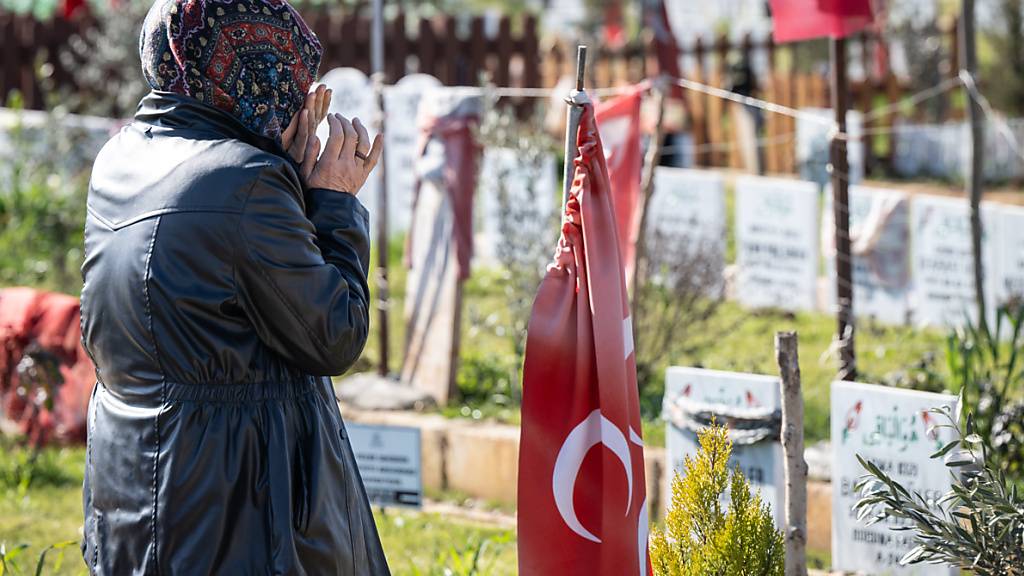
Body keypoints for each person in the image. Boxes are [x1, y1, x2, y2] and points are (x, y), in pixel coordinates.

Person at [79, 0, 390, 573]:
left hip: (134, 494)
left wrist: (286, 186)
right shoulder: (246, 181)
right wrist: (334, 203)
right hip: (239, 509)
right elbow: (334, 336)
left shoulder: (121, 157)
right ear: (262, 69)